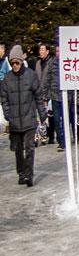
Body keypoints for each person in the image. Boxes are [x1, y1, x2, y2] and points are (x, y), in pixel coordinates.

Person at [1, 44, 43, 186]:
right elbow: (4, 98)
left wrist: (42, 114)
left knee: (30, 148)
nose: (15, 65)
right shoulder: (7, 79)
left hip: (29, 119)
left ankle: (29, 175)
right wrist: (7, 114)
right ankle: (21, 173)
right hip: (14, 121)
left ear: (21, 61)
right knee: (18, 150)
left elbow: (38, 96)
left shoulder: (31, 75)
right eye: (12, 62)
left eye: (17, 62)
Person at [35, 42, 63, 150]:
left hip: (51, 93)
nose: (41, 51)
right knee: (42, 115)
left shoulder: (50, 63)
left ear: (47, 51)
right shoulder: (37, 63)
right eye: (40, 49)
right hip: (40, 92)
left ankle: (52, 136)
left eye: (43, 49)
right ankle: (43, 136)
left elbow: (49, 80)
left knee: (52, 116)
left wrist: (47, 95)